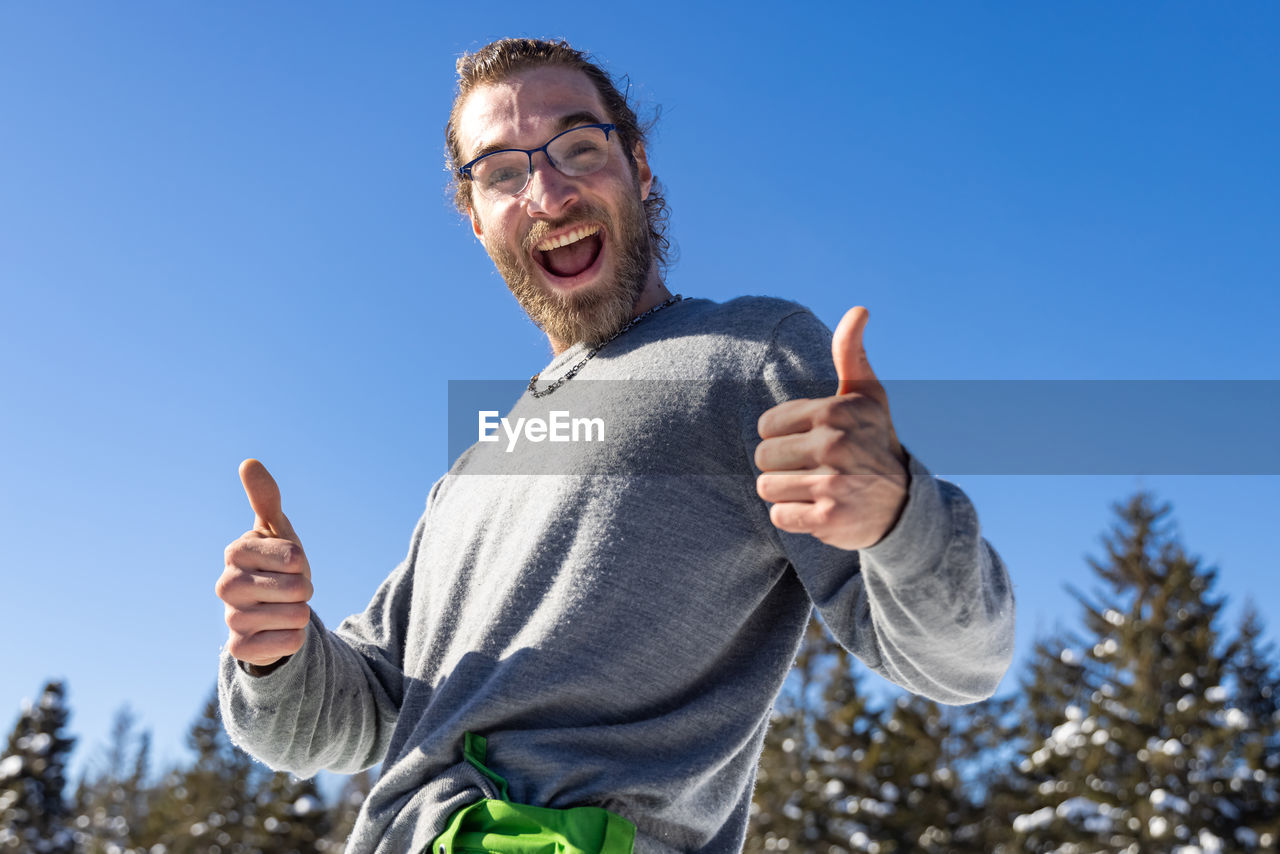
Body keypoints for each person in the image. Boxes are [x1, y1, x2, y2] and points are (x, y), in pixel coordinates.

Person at [216, 37, 1015, 854]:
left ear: (638, 163)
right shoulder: (472, 468)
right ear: (475, 215)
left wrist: (898, 515)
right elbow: (355, 718)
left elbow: (961, 659)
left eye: (577, 148)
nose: (547, 191)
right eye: (500, 171)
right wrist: (277, 651)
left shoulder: (748, 353)